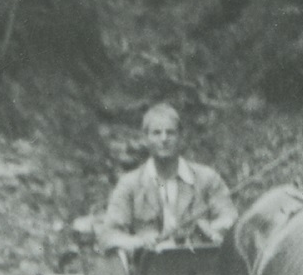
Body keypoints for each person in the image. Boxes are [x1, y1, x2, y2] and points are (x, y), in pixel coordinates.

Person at [100, 102, 236, 257]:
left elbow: (230, 219)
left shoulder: (207, 178)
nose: (164, 139)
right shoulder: (130, 184)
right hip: (150, 273)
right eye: (156, 133)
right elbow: (108, 236)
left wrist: (208, 230)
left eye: (170, 133)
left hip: (201, 268)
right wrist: (139, 242)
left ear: (181, 137)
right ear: (146, 138)